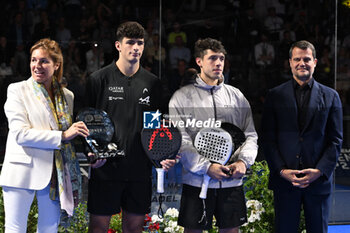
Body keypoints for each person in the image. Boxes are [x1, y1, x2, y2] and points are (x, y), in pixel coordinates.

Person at [84, 21, 176, 233]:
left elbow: (155, 127)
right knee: (98, 227)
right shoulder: (98, 80)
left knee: (134, 228)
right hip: (105, 168)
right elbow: (84, 122)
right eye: (131, 42)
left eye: (140, 43)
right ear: (118, 45)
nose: (136, 48)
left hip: (139, 169)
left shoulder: (153, 84)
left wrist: (162, 154)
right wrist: (90, 152)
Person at [169, 38, 258, 233]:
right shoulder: (181, 98)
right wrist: (207, 167)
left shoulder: (236, 96)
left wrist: (243, 162)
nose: (218, 63)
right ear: (199, 61)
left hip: (231, 180)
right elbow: (182, 142)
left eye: (221, 58)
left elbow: (250, 135)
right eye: (212, 58)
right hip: (196, 181)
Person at [0, 38, 89, 232]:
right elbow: (20, 134)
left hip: (55, 174)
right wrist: (63, 136)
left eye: (44, 61)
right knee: (15, 229)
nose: (37, 66)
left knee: (49, 229)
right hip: (21, 171)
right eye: (34, 60)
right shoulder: (17, 90)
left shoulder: (67, 96)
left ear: (56, 65)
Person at [261, 40, 343, 233]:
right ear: (290, 62)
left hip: (318, 182)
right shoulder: (274, 96)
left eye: (306, 59)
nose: (302, 63)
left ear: (315, 62)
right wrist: (281, 171)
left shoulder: (331, 96)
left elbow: (336, 140)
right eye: (297, 59)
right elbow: (268, 139)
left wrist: (320, 171)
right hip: (285, 182)